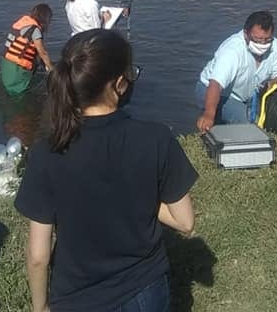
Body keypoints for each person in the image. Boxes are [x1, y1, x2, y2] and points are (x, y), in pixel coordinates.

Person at [16, 29, 197, 312]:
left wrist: (39, 308)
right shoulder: (156, 138)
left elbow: (38, 255)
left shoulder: (46, 153)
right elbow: (185, 223)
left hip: (78, 297)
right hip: (145, 290)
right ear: (120, 84)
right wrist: (141, 194)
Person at [195, 11, 277, 133]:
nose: (262, 44)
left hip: (247, 94)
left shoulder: (275, 46)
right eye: (257, 39)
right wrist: (208, 115)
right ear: (245, 34)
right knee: (249, 124)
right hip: (215, 91)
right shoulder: (232, 51)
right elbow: (215, 84)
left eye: (267, 40)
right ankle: (216, 117)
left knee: (271, 121)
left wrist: (275, 81)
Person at [1, 4, 54, 96]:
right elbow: (42, 53)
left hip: (6, 63)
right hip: (17, 69)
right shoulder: (35, 30)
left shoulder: (23, 22)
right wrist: (51, 69)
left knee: (10, 92)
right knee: (19, 94)